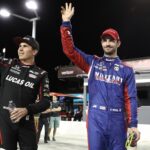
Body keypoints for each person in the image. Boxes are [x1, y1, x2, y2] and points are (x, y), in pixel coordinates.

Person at [60, 3, 140, 150]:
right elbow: (70, 51)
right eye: (104, 40)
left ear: (118, 43)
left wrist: (133, 124)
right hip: (96, 118)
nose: (107, 43)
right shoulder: (92, 62)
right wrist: (66, 24)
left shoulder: (127, 70)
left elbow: (131, 99)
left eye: (111, 40)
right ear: (101, 42)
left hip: (118, 120)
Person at [0, 35, 50, 150]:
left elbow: (46, 102)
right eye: (19, 46)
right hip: (5, 123)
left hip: (26, 124)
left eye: (25, 46)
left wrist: (27, 110)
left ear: (34, 51)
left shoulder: (41, 74)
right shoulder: (8, 64)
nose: (20, 49)